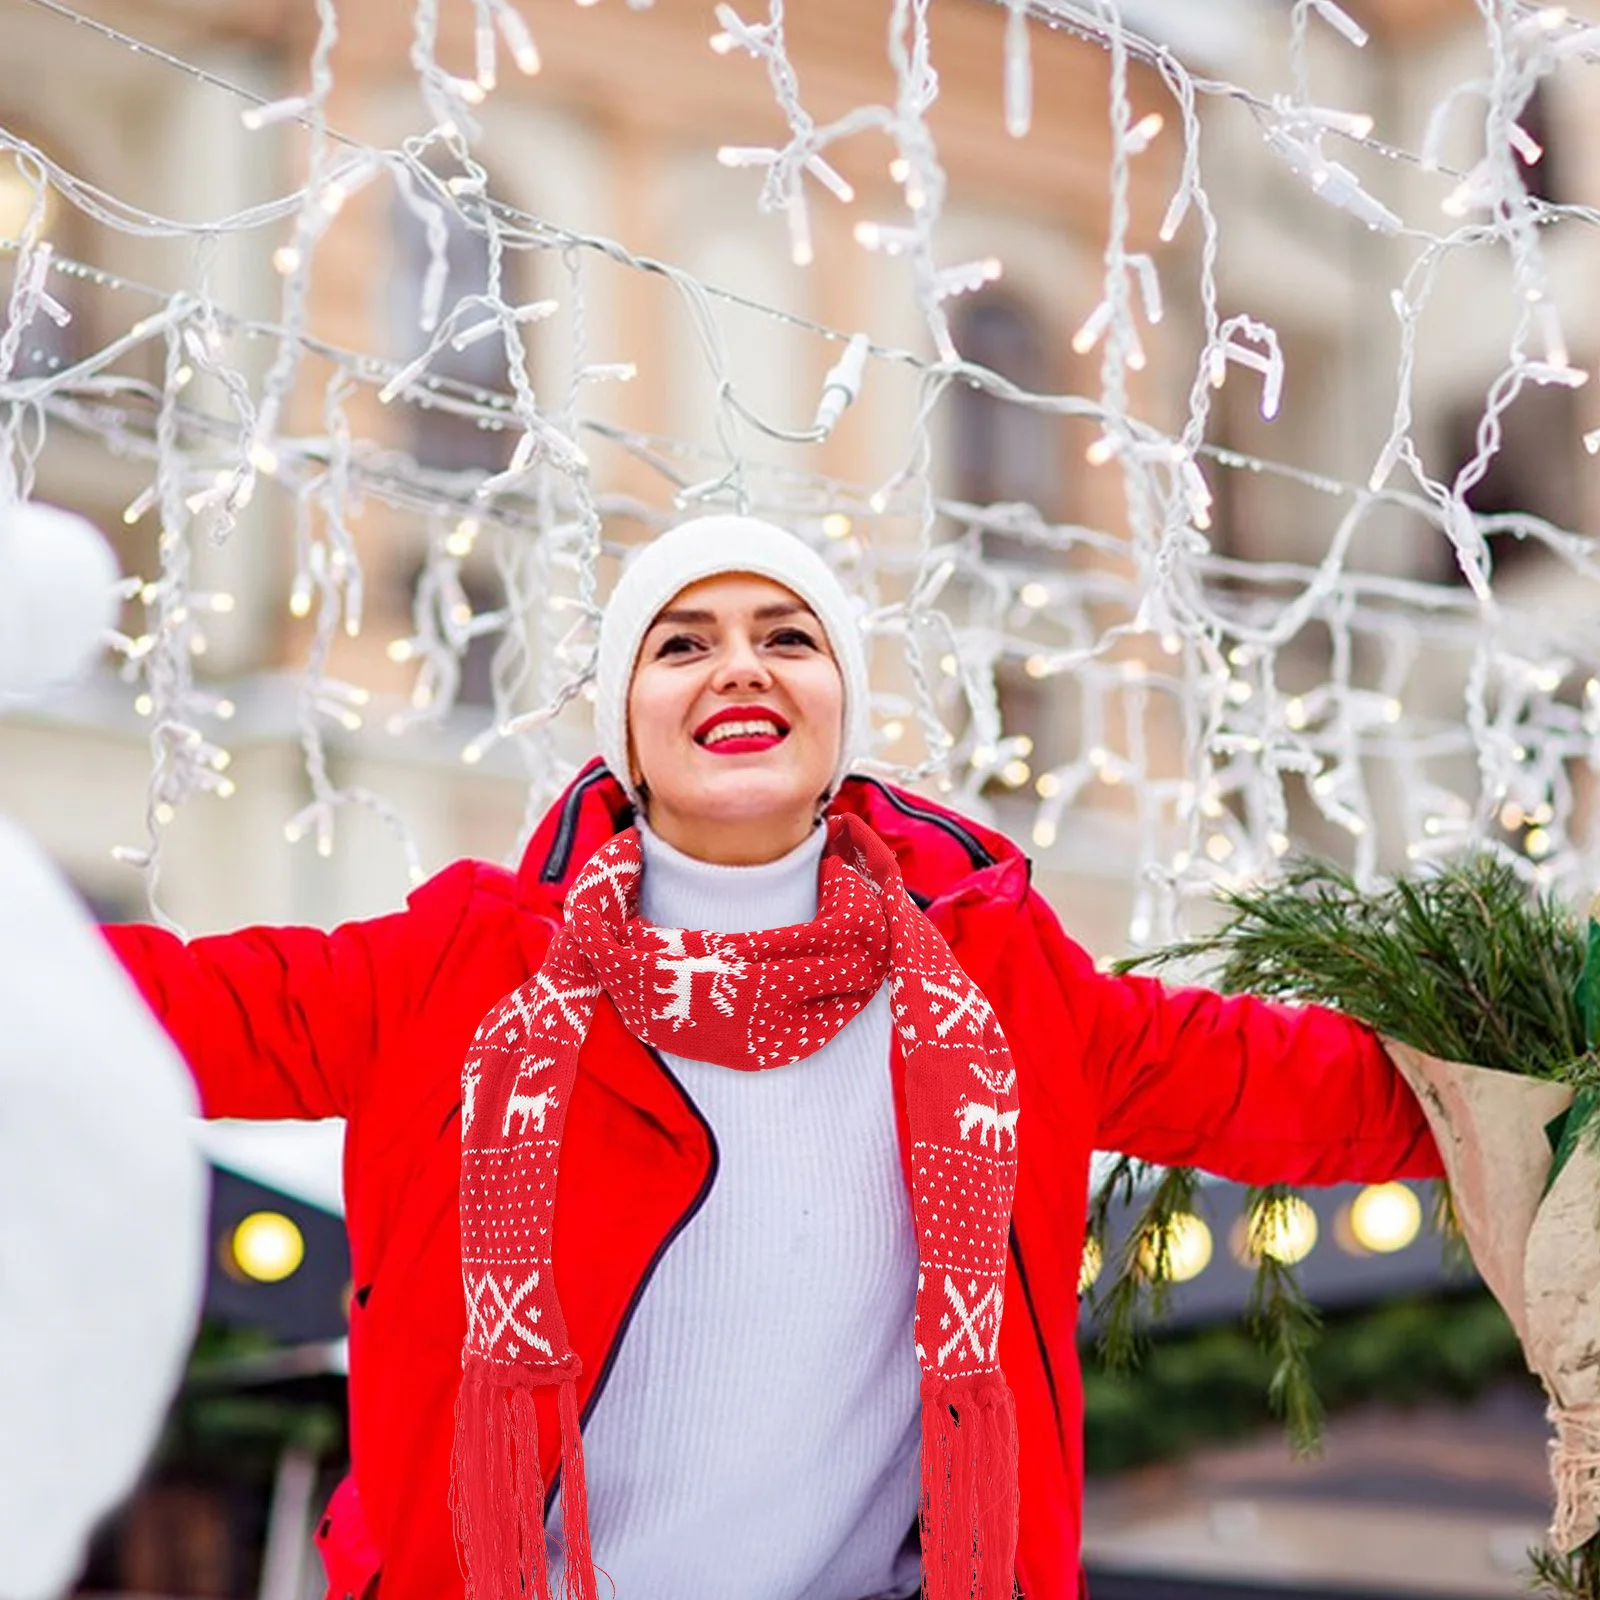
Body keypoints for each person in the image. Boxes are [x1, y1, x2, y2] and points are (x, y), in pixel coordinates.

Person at [106, 515, 1441, 1600]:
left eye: (786, 638)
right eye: (682, 643)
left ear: (837, 715)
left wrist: (1538, 1061)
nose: (739, 666)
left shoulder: (1001, 985)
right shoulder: (460, 973)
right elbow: (139, 1012)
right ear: (625, 730)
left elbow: (1307, 1090)